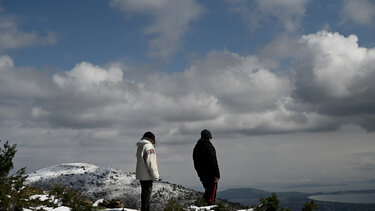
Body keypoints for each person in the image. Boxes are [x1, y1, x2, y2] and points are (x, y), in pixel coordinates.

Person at [193, 129, 220, 205]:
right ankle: (206, 206)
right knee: (211, 194)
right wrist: (217, 175)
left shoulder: (196, 148)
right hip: (211, 175)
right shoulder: (209, 146)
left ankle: (201, 205)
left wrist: (200, 174)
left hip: (202, 175)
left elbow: (196, 163)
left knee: (208, 191)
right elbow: (213, 161)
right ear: (209, 137)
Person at [136, 131, 159, 211]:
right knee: (147, 197)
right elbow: (151, 162)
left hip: (141, 175)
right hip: (147, 175)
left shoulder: (140, 147)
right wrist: (155, 175)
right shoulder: (148, 147)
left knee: (144, 196)